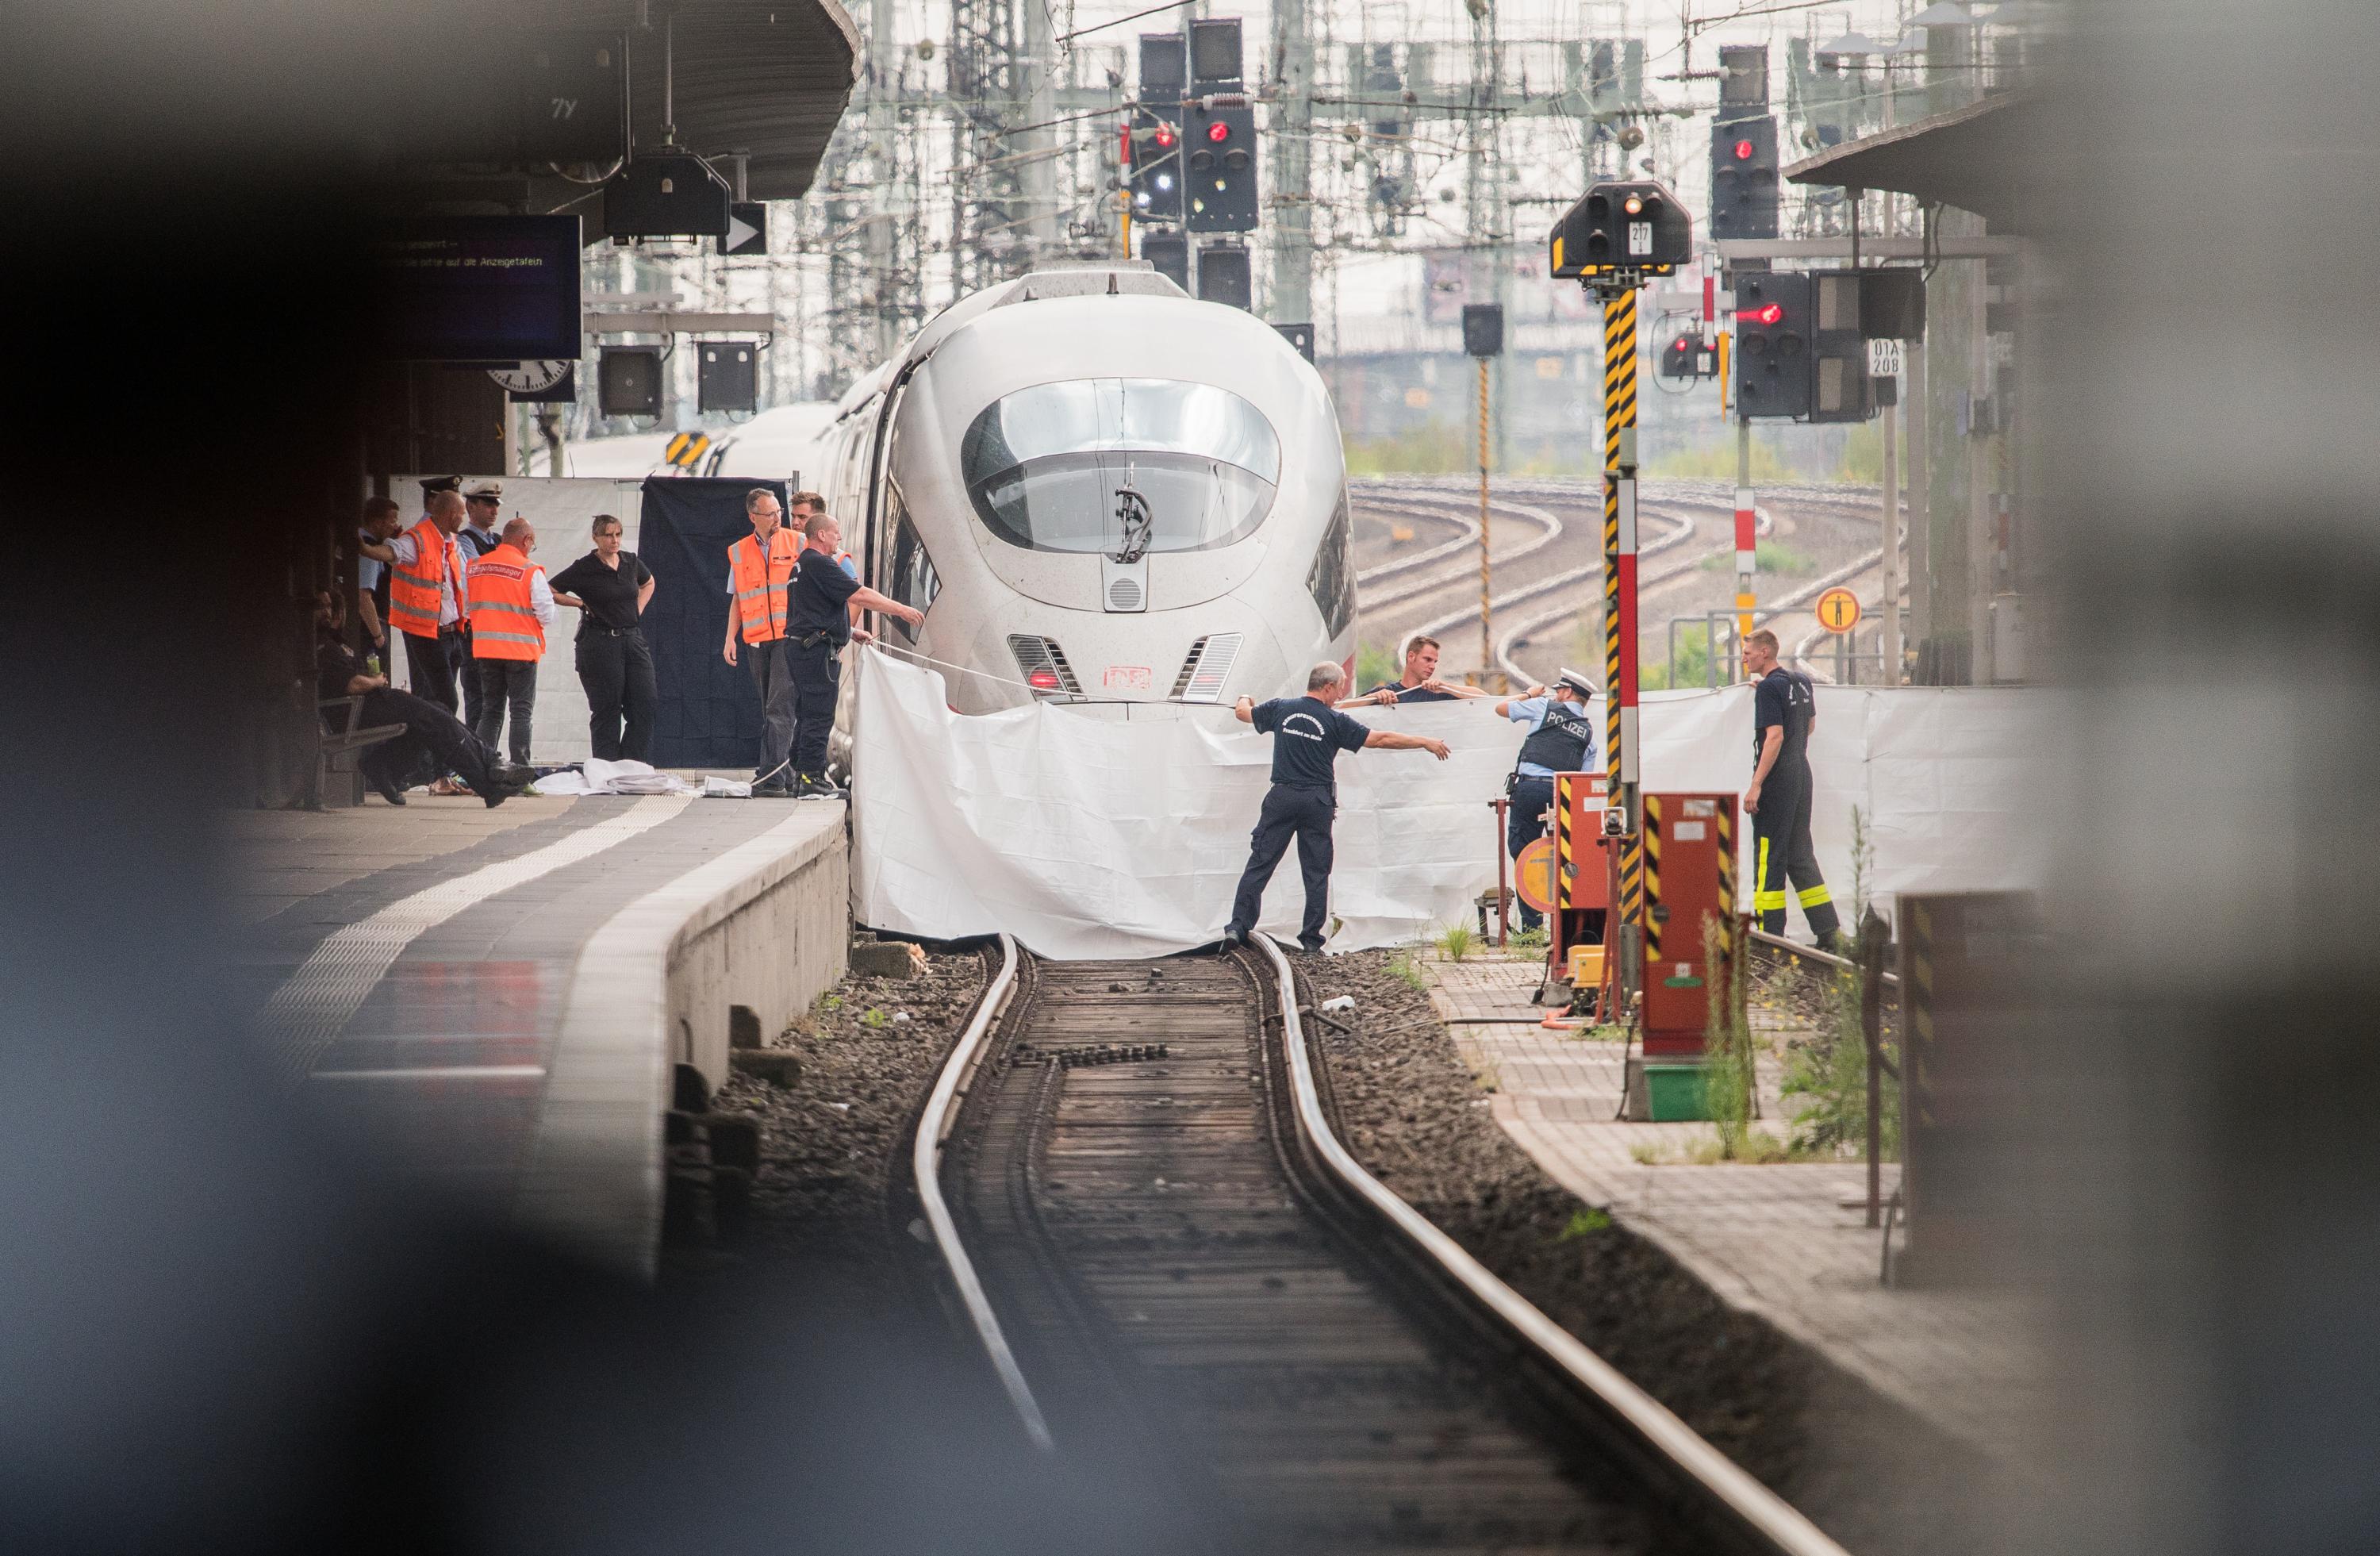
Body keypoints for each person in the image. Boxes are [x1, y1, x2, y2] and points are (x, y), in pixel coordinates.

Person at [1221, 662, 1452, 952]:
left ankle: (1237, 927)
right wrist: (1424, 741)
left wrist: (1245, 697)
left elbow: (1243, 713)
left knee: (1260, 863)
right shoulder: (1334, 720)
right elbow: (1380, 739)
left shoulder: (1281, 708)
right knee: (1316, 872)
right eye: (1340, 688)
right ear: (1328, 687)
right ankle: (1311, 941)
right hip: (1317, 802)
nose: (1341, 695)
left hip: (1282, 797)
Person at [313, 591, 530, 809]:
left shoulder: (336, 643)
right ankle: (489, 777)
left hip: (372, 704)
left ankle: (382, 766)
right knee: (438, 720)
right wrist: (376, 681)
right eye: (322, 607)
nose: (328, 613)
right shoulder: (324, 646)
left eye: (331, 607)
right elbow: (352, 684)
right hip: (357, 710)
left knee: (439, 710)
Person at [784, 509, 923, 798]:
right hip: (815, 652)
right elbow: (858, 595)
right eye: (836, 532)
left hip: (802, 647)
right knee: (819, 715)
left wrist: (850, 631)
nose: (840, 537)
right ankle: (812, 779)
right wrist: (902, 610)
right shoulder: (821, 564)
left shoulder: (800, 566)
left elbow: (813, 611)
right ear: (821, 535)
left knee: (806, 712)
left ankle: (799, 776)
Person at [1743, 628, 1842, 948]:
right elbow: (1809, 724)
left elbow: (1775, 736)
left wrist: (1756, 785)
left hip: (1778, 780)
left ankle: (1770, 934)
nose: (1744, 657)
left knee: (1769, 854)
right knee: (1800, 853)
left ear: (1765, 653)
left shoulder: (1768, 690)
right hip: (1801, 773)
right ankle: (1827, 929)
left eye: (1749, 652)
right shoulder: (1800, 681)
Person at [1491, 670, 1598, 933]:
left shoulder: (1543, 706)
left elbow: (1501, 708)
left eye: (1559, 690)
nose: (1555, 694)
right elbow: (1582, 782)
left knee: (1524, 854)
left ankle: (1532, 928)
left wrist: (1529, 694)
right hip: (1560, 796)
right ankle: (1564, 929)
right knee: (1565, 858)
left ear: (1568, 692)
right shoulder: (1587, 734)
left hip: (1529, 790)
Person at [551, 514, 658, 763]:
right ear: (595, 537)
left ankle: (630, 764)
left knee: (646, 703)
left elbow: (649, 582)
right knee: (607, 708)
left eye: (618, 534)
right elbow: (551, 589)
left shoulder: (630, 561)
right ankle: (607, 768)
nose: (614, 540)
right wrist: (579, 603)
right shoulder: (585, 567)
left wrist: (637, 609)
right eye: (608, 535)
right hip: (599, 642)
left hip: (632, 638)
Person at [723, 490, 802, 793]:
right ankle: (789, 776)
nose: (777, 518)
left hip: (787, 637)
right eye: (770, 514)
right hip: (756, 641)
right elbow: (739, 598)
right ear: (752, 517)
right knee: (770, 709)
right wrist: (730, 637)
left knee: (779, 709)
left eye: (779, 511)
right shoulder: (740, 551)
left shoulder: (796, 542)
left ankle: (771, 779)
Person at [464, 517, 555, 766]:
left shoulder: (475, 566)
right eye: (531, 544)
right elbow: (547, 613)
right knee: (521, 711)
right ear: (526, 540)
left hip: (485, 650)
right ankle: (520, 772)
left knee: (490, 711)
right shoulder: (529, 570)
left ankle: (481, 769)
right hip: (521, 652)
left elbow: (465, 608)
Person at [386, 488, 467, 713]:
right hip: (428, 634)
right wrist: (365, 548)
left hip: (452, 634)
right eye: (462, 514)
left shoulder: (450, 542)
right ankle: (426, 748)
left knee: (438, 704)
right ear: (451, 514)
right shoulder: (417, 539)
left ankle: (425, 747)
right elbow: (393, 552)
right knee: (442, 703)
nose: (463, 518)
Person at [455, 481, 505, 733]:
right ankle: (473, 759)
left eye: (496, 504)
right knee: (477, 696)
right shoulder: (464, 541)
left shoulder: (499, 540)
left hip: (497, 629)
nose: (494, 509)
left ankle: (487, 755)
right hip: (475, 628)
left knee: (494, 701)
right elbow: (475, 574)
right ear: (471, 506)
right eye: (488, 503)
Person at [1345, 633, 1471, 708]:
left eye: (1435, 662)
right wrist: (1372, 698)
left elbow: (1484, 698)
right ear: (1411, 657)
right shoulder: (1386, 693)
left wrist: (1445, 686)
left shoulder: (1438, 692)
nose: (1432, 666)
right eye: (1427, 659)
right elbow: (1338, 709)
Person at [354, 496, 402, 656]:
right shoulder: (370, 552)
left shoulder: (352, 545)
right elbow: (363, 597)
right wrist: (378, 635)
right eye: (392, 520)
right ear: (376, 522)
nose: (396, 527)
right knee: (376, 677)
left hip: (359, 626)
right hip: (369, 630)